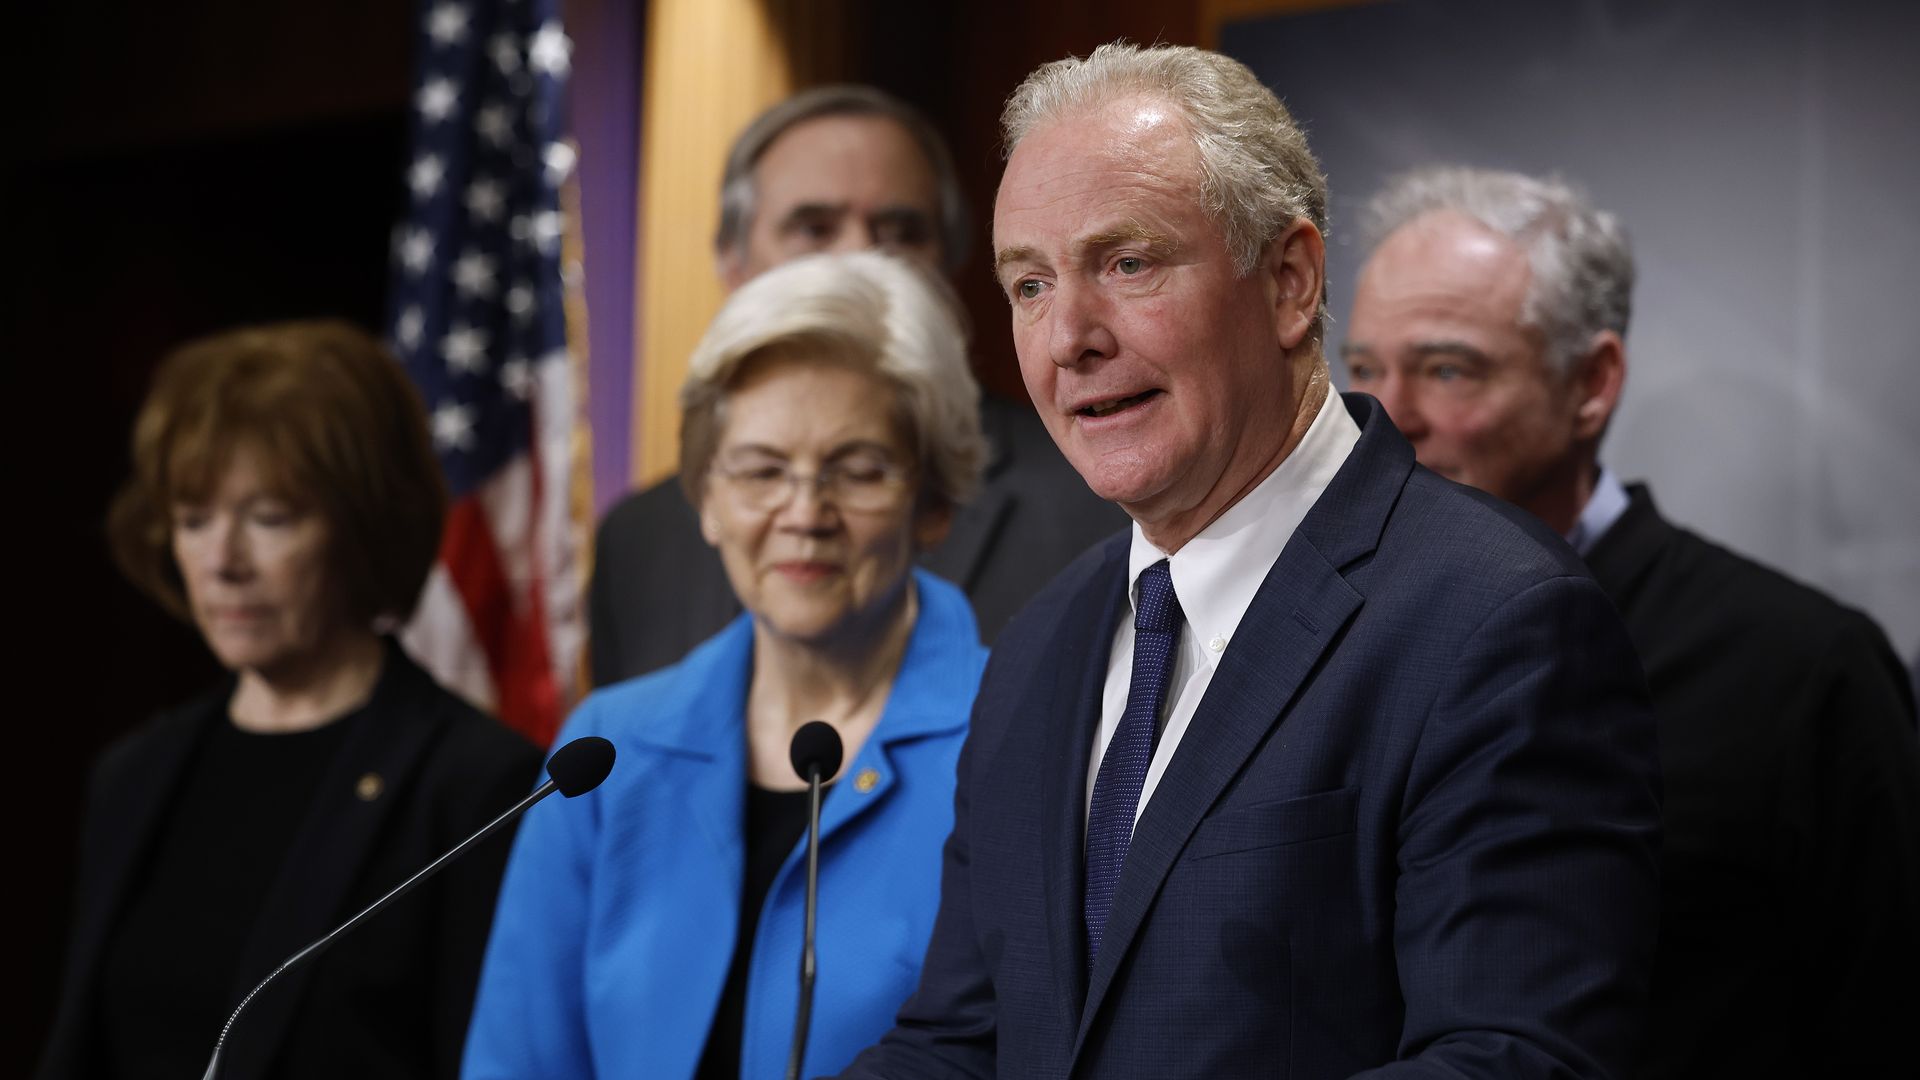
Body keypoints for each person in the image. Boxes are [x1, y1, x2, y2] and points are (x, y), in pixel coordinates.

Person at [839, 44, 1661, 1080]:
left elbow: (1517, 1058)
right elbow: (961, 1043)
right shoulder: (1041, 643)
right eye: (1031, 284)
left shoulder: (1499, 620)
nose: (1067, 339)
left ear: (1288, 281)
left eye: (1127, 263)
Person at [1343, 164, 1920, 1078]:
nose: (1387, 420)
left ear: (1592, 384)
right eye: (1365, 371)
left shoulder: (1806, 670)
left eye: (1448, 368)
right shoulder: (1329, 641)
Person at [464, 252, 992, 1079]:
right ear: (708, 498)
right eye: (761, 470)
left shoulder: (1019, 736)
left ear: (933, 505)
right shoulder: (605, 750)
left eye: (856, 471)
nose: (804, 514)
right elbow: (518, 1063)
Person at [39, 321, 543, 1080]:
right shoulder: (133, 775)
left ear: (363, 528)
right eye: (193, 520)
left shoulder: (476, 786)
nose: (221, 563)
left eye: (269, 518)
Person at [590, 85, 1124, 681]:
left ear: (953, 264)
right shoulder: (639, 540)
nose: (862, 258)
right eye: (814, 228)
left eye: (899, 231)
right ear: (731, 264)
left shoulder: (1101, 501)